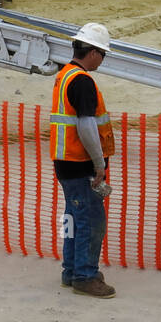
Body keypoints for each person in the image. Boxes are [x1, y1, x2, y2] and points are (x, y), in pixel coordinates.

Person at [50, 23, 117, 297]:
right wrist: (99, 165)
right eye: (103, 54)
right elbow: (86, 126)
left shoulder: (64, 75)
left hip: (65, 163)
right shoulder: (82, 81)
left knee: (74, 218)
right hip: (81, 164)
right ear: (93, 52)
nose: (103, 60)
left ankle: (72, 270)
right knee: (90, 219)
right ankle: (85, 276)